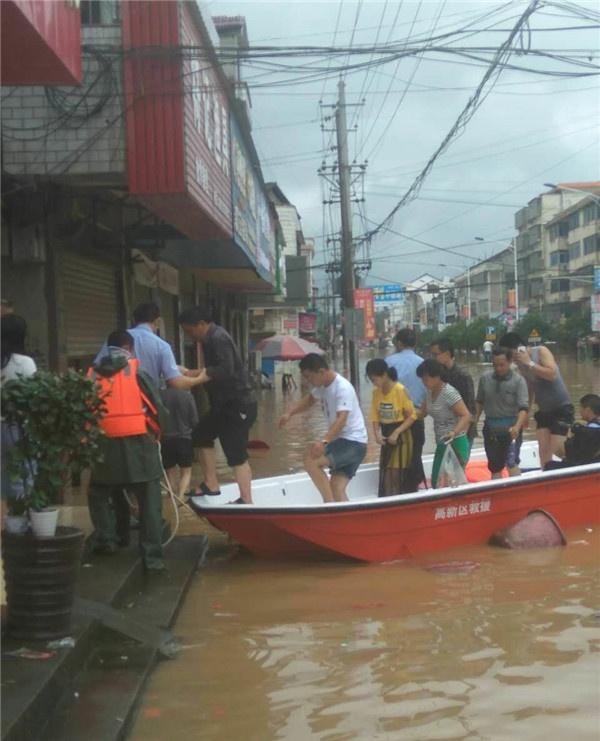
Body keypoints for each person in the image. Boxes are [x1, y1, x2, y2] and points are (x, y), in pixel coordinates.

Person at [87, 330, 167, 572]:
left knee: (100, 492)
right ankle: (152, 558)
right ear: (130, 349)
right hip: (139, 446)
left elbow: (82, 412)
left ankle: (109, 539)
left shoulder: (91, 375)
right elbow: (158, 409)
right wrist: (159, 435)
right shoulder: (137, 372)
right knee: (149, 500)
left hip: (103, 446)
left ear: (107, 348)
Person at [179, 306, 257, 504]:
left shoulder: (218, 338)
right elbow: (212, 369)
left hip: (237, 404)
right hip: (222, 405)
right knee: (200, 435)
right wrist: (191, 372)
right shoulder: (208, 339)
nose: (190, 336)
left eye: (190, 331)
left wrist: (195, 380)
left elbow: (225, 369)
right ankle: (211, 484)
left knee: (236, 454)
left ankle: (246, 500)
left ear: (202, 325)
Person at [278, 353, 367, 503]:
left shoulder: (342, 388)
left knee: (310, 459)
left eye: (309, 377)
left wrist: (324, 442)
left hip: (353, 443)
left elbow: (342, 419)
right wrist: (289, 413)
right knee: (336, 487)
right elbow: (310, 400)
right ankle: (345, 522)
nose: (308, 381)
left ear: (321, 371)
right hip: (349, 443)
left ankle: (328, 505)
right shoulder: (323, 386)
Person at [499, 332, 573, 468]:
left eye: (510, 354)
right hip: (544, 410)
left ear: (519, 348)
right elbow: (530, 388)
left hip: (562, 407)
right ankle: (547, 480)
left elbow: (552, 375)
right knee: (543, 451)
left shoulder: (540, 351)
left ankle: (583, 463)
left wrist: (529, 363)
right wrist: (526, 411)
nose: (510, 359)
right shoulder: (521, 365)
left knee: (558, 448)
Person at [95, 302, 203, 392]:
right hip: (148, 404)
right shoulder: (162, 346)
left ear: (134, 320)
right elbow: (176, 383)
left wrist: (178, 368)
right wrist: (201, 378)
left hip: (118, 400)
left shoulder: (117, 338)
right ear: (158, 321)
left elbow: (98, 367)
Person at [1, 315, 38, 516]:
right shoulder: (24, 362)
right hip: (17, 426)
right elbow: (34, 396)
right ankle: (19, 521)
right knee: (22, 475)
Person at [416, 359, 472, 488]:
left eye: (426, 379)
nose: (424, 383)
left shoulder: (449, 393)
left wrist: (454, 432)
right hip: (441, 442)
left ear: (437, 377)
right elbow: (422, 413)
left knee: (454, 483)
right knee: (436, 479)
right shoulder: (429, 393)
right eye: (422, 380)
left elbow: (466, 415)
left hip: (455, 442)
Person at [475, 347, 529, 478]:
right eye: (495, 365)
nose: (498, 368)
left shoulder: (518, 381)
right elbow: (479, 402)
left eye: (502, 365)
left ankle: (518, 494)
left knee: (512, 462)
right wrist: (474, 422)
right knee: (494, 466)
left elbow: (524, 408)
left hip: (511, 430)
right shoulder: (485, 379)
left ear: (510, 361)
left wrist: (517, 426)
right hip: (491, 430)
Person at [366, 358, 417, 496]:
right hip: (386, 435)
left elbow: (412, 416)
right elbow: (375, 416)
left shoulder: (400, 390)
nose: (374, 383)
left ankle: (399, 500)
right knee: (385, 475)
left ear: (384, 375)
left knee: (395, 474)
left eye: (374, 379)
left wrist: (397, 432)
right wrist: (377, 435)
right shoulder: (376, 393)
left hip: (402, 436)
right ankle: (387, 501)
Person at [386, 328, 427, 489]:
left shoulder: (389, 362)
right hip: (416, 417)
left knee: (392, 462)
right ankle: (412, 492)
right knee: (414, 457)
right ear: (415, 343)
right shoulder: (423, 363)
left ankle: (394, 494)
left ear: (398, 343)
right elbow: (428, 394)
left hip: (393, 419)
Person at [430, 338, 476, 447]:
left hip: (461, 434)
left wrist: (463, 436)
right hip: (443, 434)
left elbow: (470, 409)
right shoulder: (438, 377)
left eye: (436, 355)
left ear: (447, 354)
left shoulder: (463, 376)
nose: (433, 358)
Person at [160, 386, 199, 500]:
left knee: (170, 473)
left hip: (166, 440)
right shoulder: (188, 396)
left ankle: (170, 497)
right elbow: (194, 420)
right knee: (186, 472)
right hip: (184, 439)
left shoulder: (160, 395)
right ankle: (181, 497)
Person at [545, 394, 600, 470]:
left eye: (581, 408)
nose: (580, 411)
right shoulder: (592, 428)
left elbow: (571, 455)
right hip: (594, 463)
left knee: (549, 465)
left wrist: (569, 436)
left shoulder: (584, 431)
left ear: (588, 410)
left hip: (584, 466)